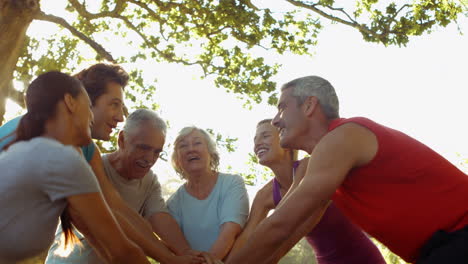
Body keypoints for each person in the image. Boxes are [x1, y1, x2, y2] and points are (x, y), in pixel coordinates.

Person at [226, 75, 468, 264]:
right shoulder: (326, 166)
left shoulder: (344, 136)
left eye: (282, 108)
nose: (276, 120)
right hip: (442, 249)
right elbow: (288, 233)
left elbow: (281, 223)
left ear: (309, 105)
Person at [0, 63, 205, 263]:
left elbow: (116, 207)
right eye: (114, 104)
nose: (120, 117)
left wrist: (172, 256)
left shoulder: (87, 151)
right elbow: (109, 238)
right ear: (79, 100)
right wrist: (168, 258)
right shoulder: (52, 142)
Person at [0, 71, 149, 263]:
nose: (91, 117)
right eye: (88, 106)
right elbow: (124, 252)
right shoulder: (61, 158)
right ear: (70, 102)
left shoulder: (32, 150)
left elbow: (101, 239)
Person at [46, 109, 204, 264]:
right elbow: (114, 219)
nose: (150, 159)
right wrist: (169, 258)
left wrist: (187, 254)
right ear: (121, 139)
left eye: (156, 152)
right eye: (143, 148)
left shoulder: (150, 182)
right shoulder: (92, 166)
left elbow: (160, 218)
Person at [227, 119, 386, 263]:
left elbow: (288, 229)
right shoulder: (265, 194)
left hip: (363, 257)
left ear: (285, 141)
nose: (257, 143)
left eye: (265, 136)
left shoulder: (310, 167)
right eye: (255, 139)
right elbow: (247, 237)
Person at [167, 126, 250, 260]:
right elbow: (175, 248)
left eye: (197, 143)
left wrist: (209, 261)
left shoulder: (232, 183)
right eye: (183, 146)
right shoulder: (173, 203)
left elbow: (230, 232)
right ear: (177, 160)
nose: (191, 149)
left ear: (211, 153)